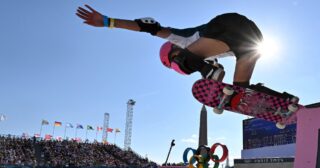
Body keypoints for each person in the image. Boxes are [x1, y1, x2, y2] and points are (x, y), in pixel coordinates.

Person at [76, 5, 296, 100]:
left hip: (227, 26)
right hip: (251, 41)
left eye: (172, 61)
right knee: (241, 93)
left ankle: (209, 73)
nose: (178, 68)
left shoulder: (178, 39)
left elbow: (147, 27)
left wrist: (107, 22)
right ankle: (286, 101)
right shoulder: (212, 53)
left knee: (188, 61)